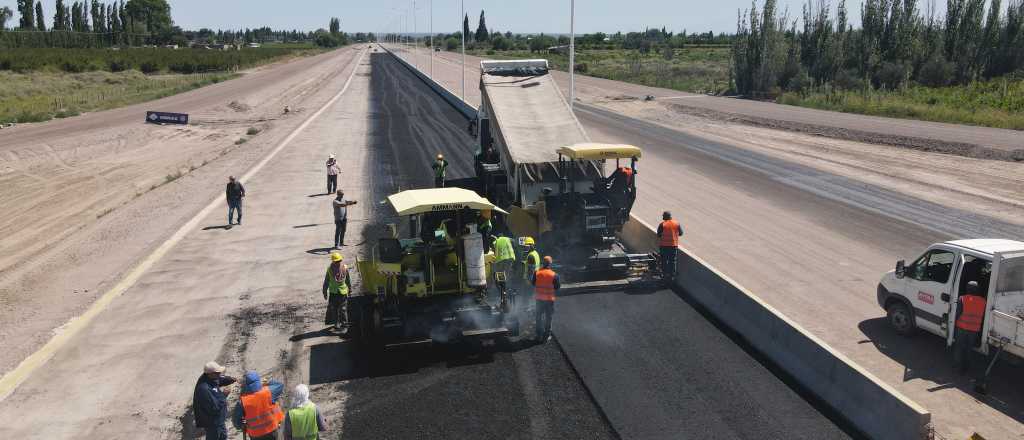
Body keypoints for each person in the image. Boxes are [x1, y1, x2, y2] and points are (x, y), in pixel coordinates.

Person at [232, 371, 285, 440]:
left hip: (255, 435)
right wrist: (267, 382)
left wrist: (242, 425)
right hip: (271, 430)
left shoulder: (242, 401)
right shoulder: (268, 392)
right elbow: (280, 385)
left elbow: (236, 423)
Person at [192, 361, 237, 440]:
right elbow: (214, 407)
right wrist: (224, 395)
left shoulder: (210, 377)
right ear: (210, 374)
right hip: (212, 422)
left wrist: (230, 379)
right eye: (217, 372)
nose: (219, 374)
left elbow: (219, 379)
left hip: (219, 419)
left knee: (223, 436)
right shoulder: (204, 389)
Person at [953, 281, 987, 375]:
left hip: (962, 328)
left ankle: (957, 367)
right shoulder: (983, 301)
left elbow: (957, 313)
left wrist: (953, 324)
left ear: (967, 289)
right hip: (974, 330)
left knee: (959, 348)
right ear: (977, 290)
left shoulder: (962, 299)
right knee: (969, 349)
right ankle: (966, 367)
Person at [530, 256, 560, 343]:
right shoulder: (554, 275)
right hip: (549, 300)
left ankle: (538, 335)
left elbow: (533, 283)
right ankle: (546, 336)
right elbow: (557, 287)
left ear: (543, 263)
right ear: (550, 264)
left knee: (538, 317)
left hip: (539, 299)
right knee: (548, 318)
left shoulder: (537, 273)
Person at [322, 252, 352, 332]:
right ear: (333, 261)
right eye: (336, 261)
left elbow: (348, 280)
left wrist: (350, 289)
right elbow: (326, 281)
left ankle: (345, 325)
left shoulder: (345, 268)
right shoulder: (329, 269)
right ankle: (336, 324)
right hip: (333, 292)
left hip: (342, 292)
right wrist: (324, 292)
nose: (338, 263)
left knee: (343, 309)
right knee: (334, 309)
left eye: (339, 261)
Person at [656, 211, 683, 282]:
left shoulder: (662, 224)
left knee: (664, 261)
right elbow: (681, 233)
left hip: (664, 246)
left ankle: (664, 275)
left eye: (663, 216)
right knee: (672, 261)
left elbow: (658, 235)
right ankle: (672, 276)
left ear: (665, 216)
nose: (662, 217)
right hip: (673, 246)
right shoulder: (677, 223)